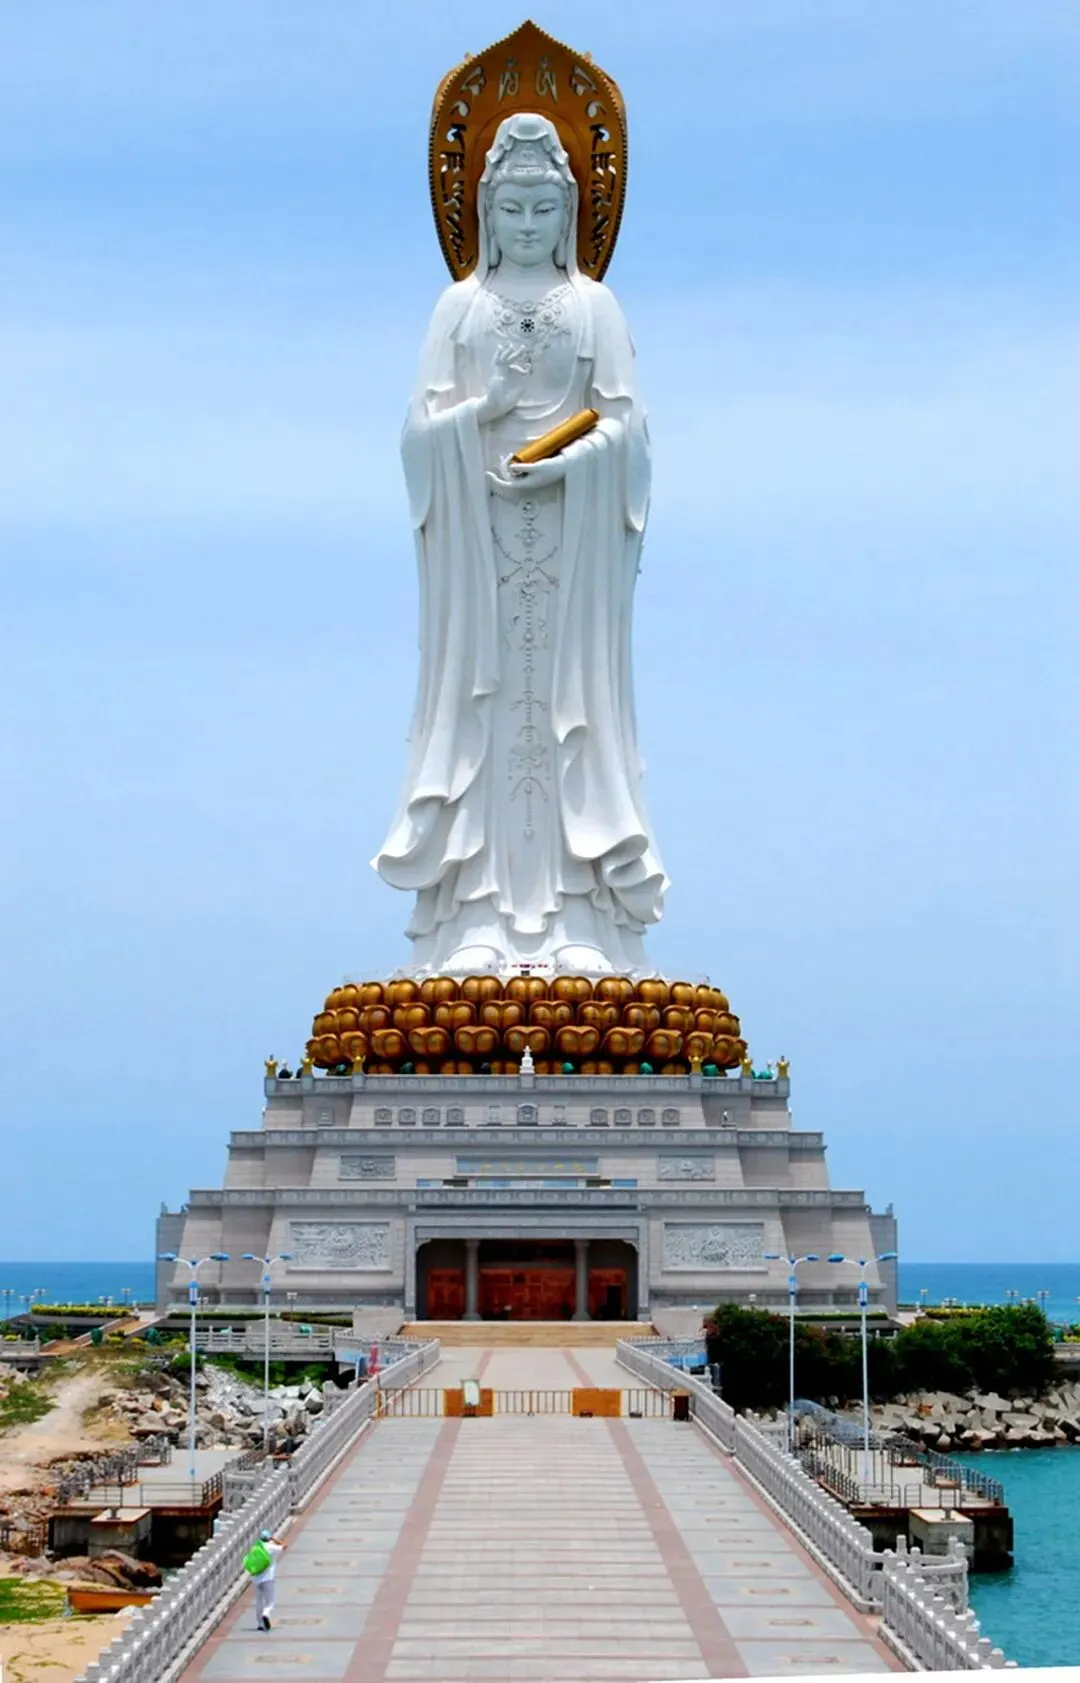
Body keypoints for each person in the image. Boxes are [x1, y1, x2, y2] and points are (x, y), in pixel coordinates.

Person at [251, 1528, 285, 1631]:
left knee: (259, 1601)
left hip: (256, 1578)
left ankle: (260, 1624)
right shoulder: (271, 1547)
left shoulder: (255, 1547)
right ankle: (266, 1614)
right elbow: (284, 1546)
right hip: (268, 1578)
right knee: (270, 1602)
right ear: (268, 1538)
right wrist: (274, 1539)